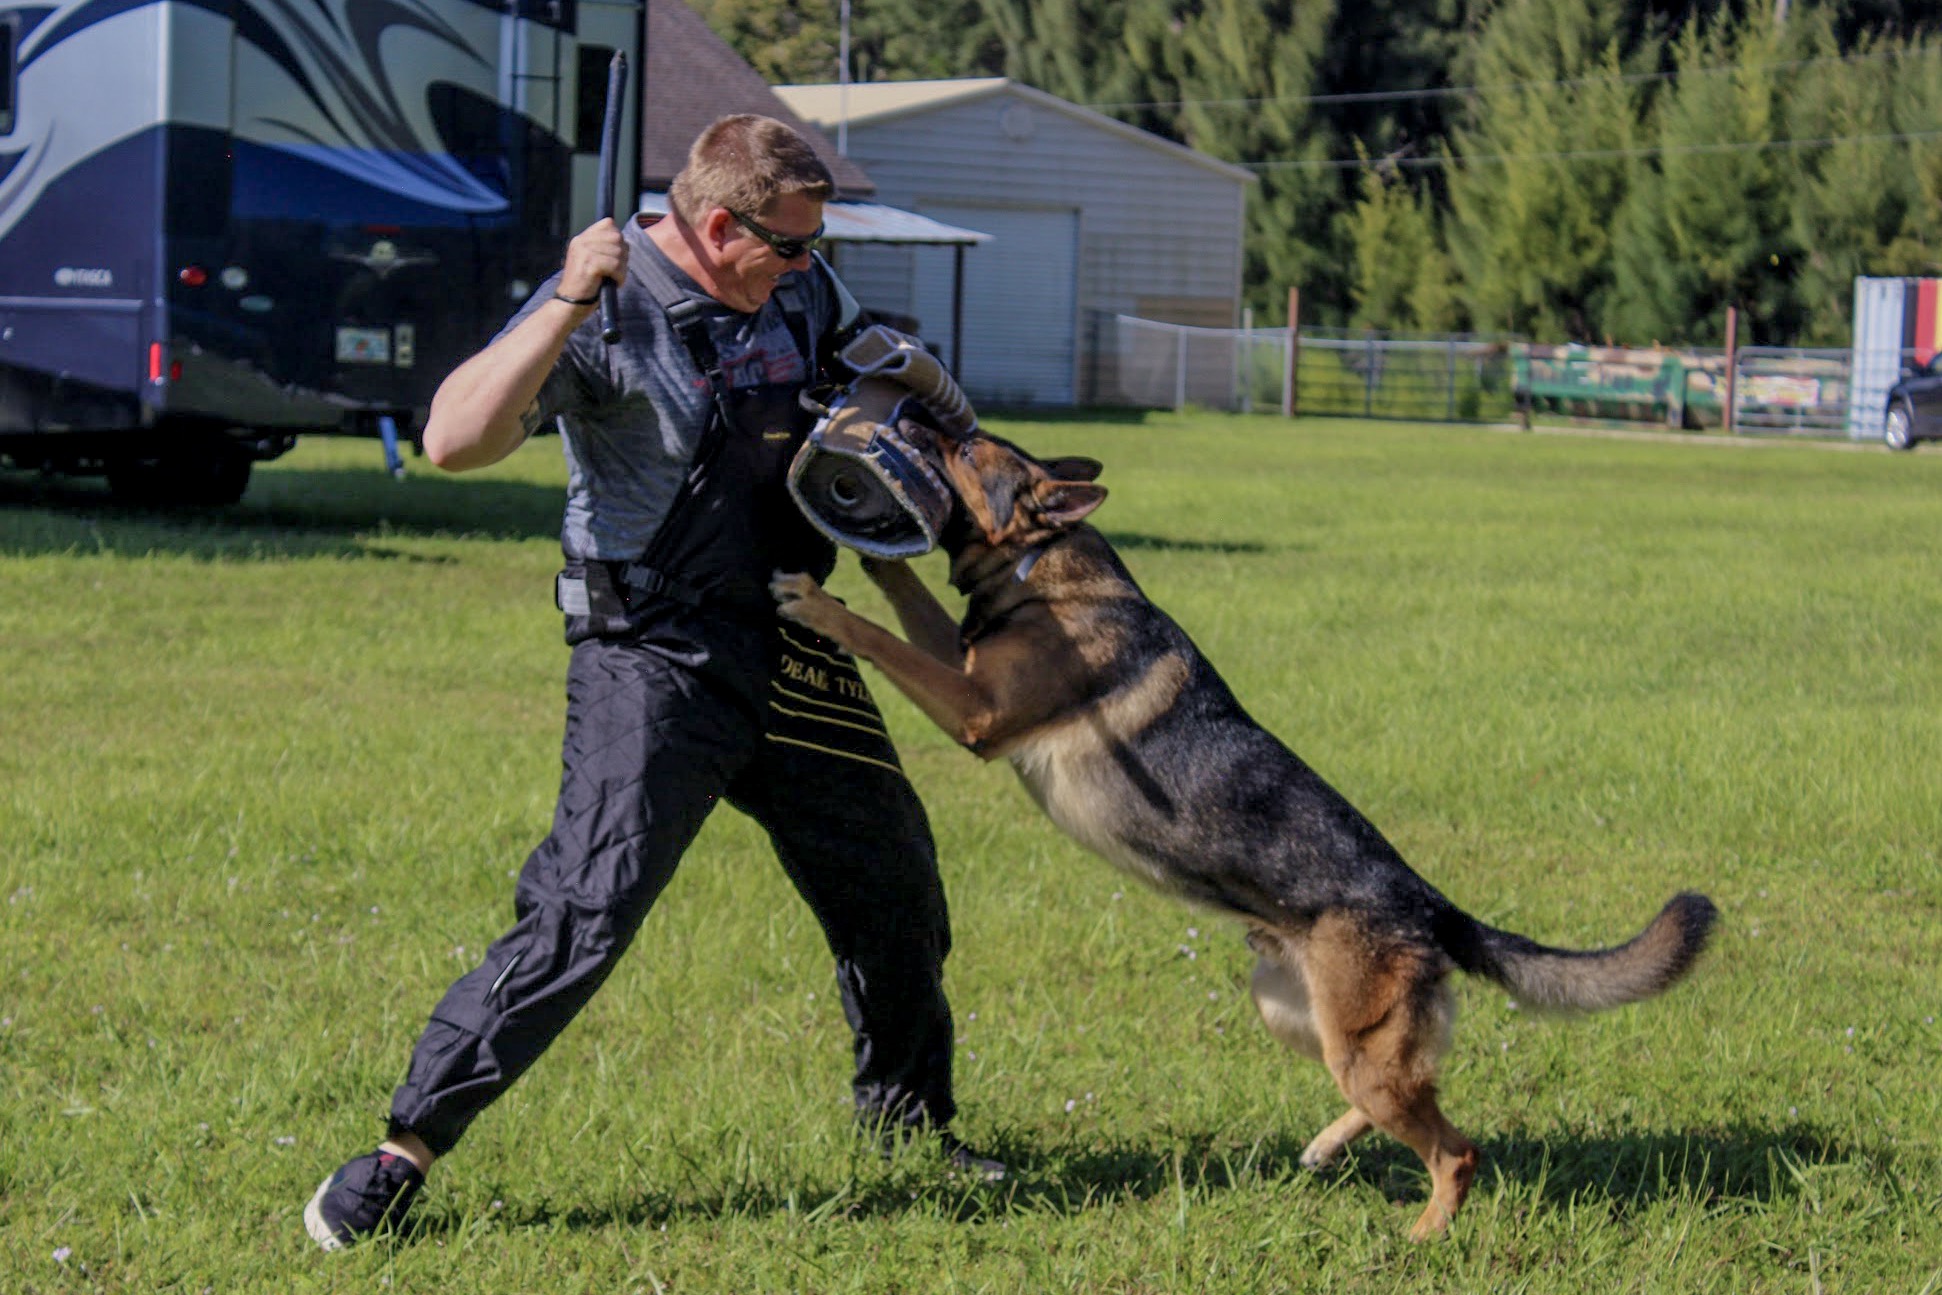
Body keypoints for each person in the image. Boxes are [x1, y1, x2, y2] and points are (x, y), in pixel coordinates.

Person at [304, 113, 998, 1251]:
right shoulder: (603, 303)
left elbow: (863, 392)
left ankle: (908, 1124)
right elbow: (453, 439)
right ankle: (399, 1153)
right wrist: (573, 294)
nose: (807, 265)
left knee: (894, 884)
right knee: (588, 907)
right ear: (719, 226)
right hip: (654, 653)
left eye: (815, 247)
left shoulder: (798, 294)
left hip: (789, 626)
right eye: (787, 245)